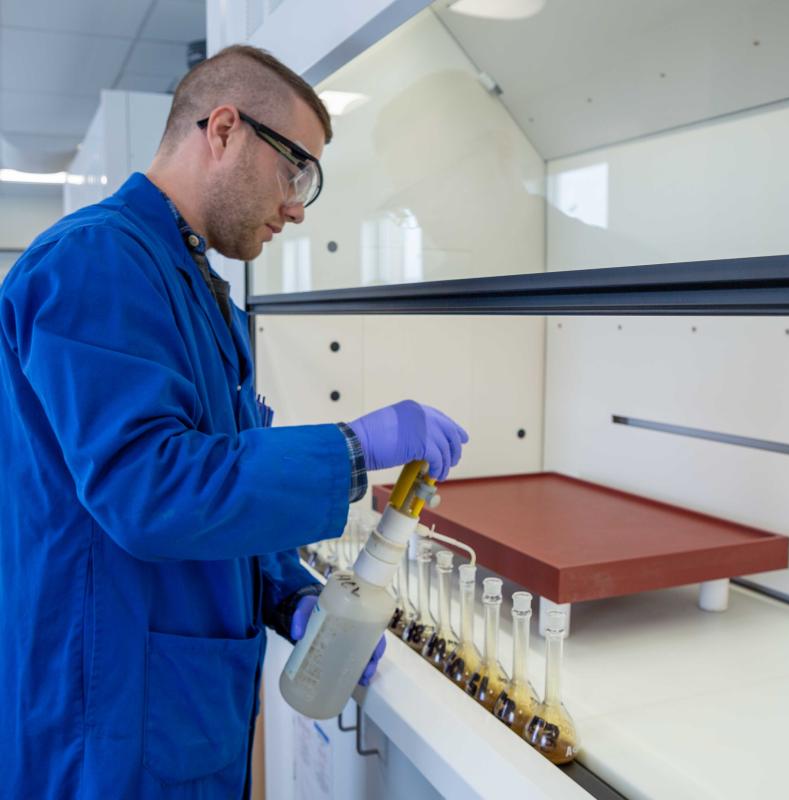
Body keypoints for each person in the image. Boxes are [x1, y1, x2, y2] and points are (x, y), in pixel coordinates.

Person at [0, 44, 468, 799]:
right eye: (295, 170)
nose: (296, 205)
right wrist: (354, 449)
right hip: (109, 717)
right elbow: (149, 489)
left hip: (171, 705)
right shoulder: (96, 261)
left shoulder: (190, 283)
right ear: (222, 129)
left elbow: (218, 471)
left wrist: (288, 592)